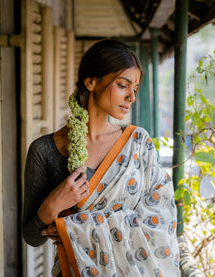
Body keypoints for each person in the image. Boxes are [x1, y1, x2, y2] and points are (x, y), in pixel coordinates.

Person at [23, 40, 180, 276]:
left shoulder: (138, 144)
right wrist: (53, 205)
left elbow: (162, 221)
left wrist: (77, 226)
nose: (131, 97)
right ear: (91, 82)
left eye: (134, 89)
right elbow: (32, 236)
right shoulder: (44, 150)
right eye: (122, 85)